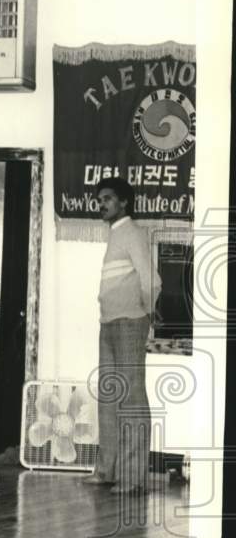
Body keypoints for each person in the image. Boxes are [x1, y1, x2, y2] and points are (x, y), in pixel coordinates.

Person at [83, 177, 160, 495]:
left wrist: (146, 312)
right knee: (110, 397)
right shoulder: (114, 235)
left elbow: (151, 280)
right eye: (99, 199)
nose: (101, 204)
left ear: (124, 203)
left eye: (108, 198)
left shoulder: (133, 233)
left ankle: (132, 479)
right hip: (109, 323)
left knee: (131, 401)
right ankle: (107, 471)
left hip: (130, 323)